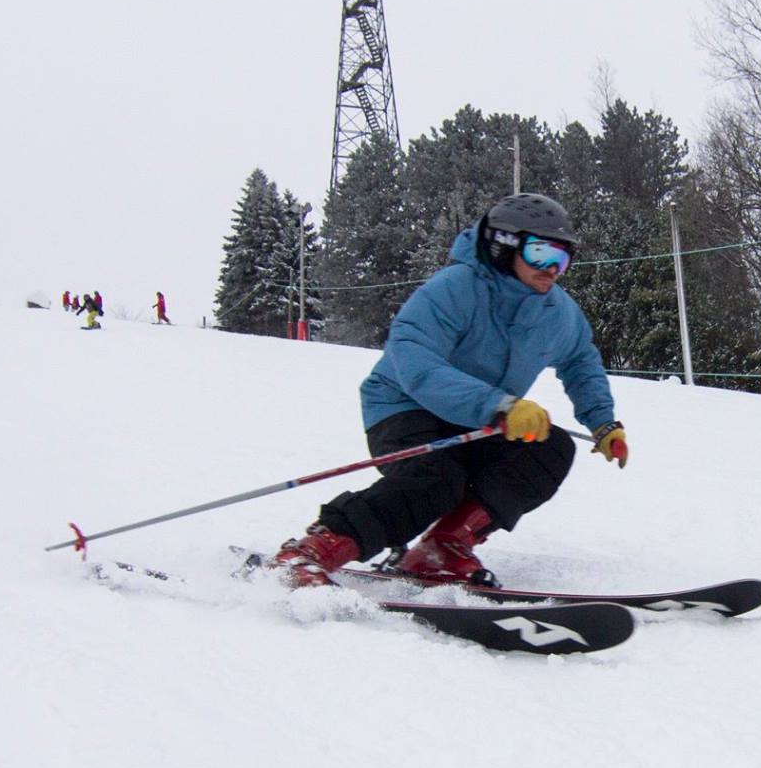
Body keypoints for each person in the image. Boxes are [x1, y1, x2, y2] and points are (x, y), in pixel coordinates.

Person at [266, 193, 629, 589]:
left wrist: (602, 422)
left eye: (563, 258)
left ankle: (444, 547)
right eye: (541, 253)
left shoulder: (557, 312)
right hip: (404, 409)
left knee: (549, 448)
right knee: (436, 478)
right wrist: (499, 405)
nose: (553, 270)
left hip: (482, 418)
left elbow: (580, 360)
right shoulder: (455, 289)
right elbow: (414, 360)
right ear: (503, 246)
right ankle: (314, 550)